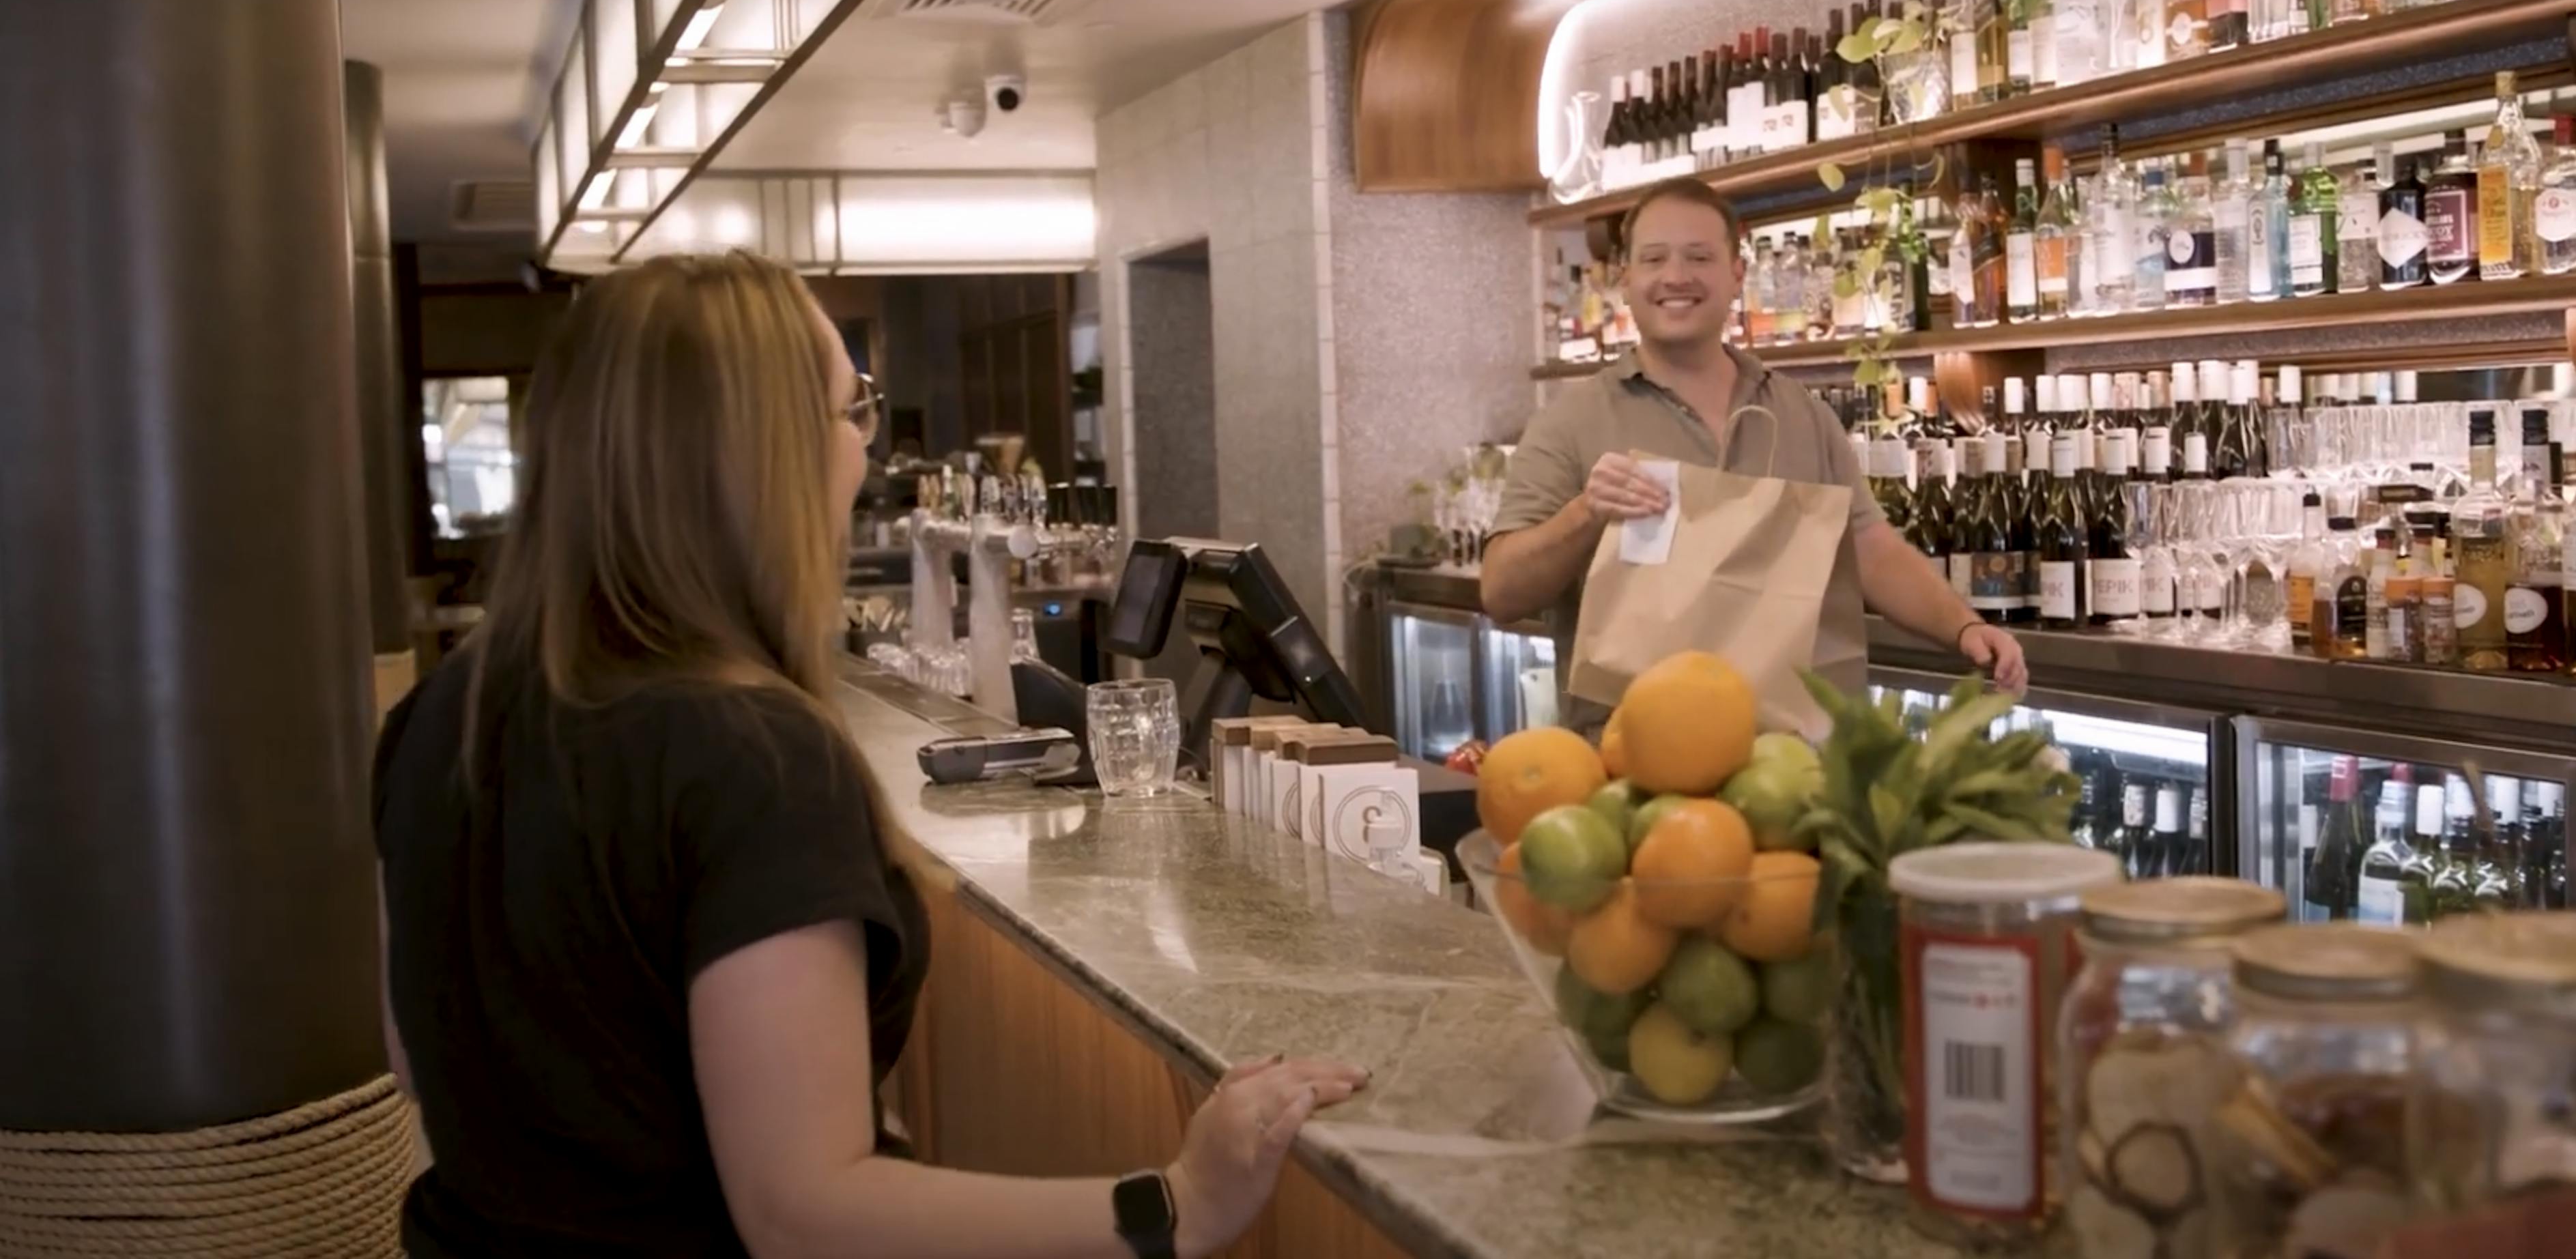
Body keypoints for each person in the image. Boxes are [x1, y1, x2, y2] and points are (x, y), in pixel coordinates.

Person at [373, 252, 1365, 1259]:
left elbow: (422, 1062)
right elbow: (802, 1214)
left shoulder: (437, 716)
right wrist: (1177, 1203)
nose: (862, 451)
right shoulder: (754, 757)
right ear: (772, 453)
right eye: (855, 412)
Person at [1483, 179, 2027, 723]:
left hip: (1792, 773)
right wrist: (1585, 514)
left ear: (1736, 275)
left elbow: (1869, 547)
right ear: (1626, 280)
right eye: (1654, 259)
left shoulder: (1801, 414)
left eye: (1699, 256)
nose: (1676, 276)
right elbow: (1502, 593)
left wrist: (1965, 626)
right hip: (1635, 775)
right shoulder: (1570, 422)